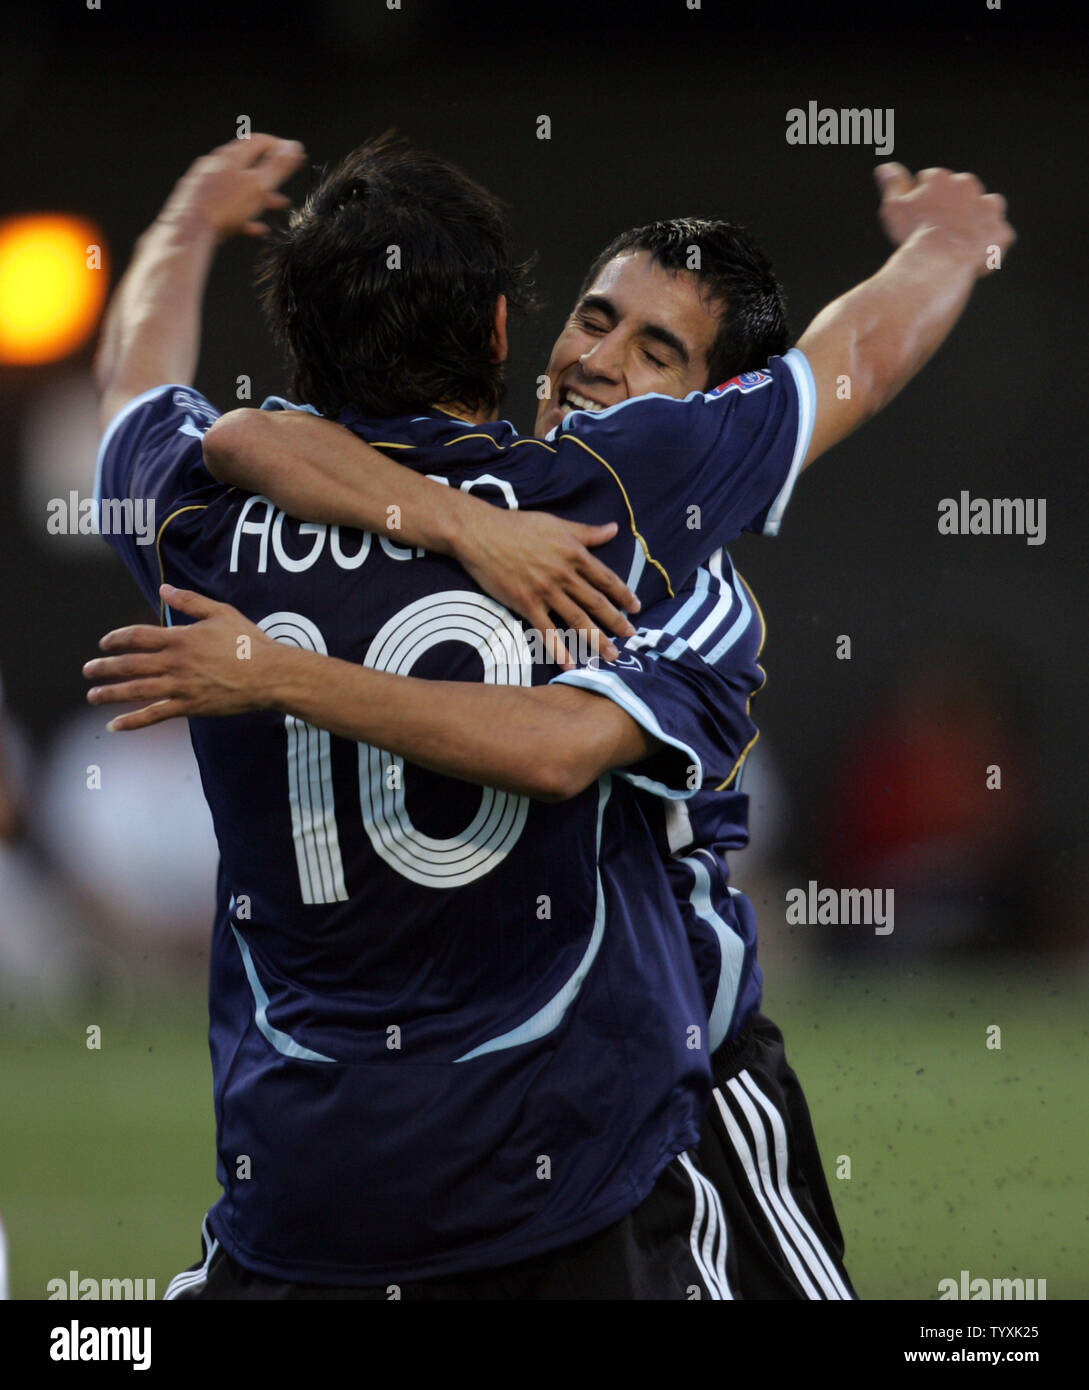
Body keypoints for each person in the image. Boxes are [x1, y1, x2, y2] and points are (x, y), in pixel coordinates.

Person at [87, 133, 1013, 1297]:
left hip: (321, 1157)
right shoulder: (618, 517)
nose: (603, 362)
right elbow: (858, 361)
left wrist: (185, 220)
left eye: (657, 345)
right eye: (595, 320)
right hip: (563, 1155)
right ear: (500, 329)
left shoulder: (210, 520)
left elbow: (151, 399)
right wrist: (951, 243)